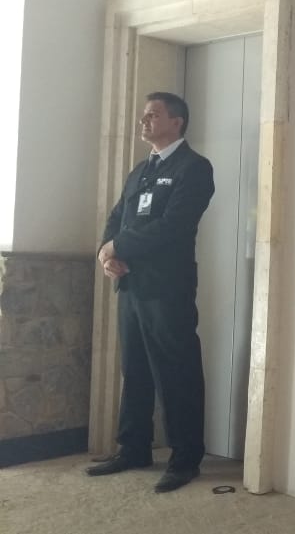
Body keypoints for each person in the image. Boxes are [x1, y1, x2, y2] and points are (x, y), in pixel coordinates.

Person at [87, 92, 215, 493]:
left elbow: (173, 225)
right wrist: (106, 254)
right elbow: (117, 218)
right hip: (131, 285)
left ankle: (185, 457)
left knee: (176, 371)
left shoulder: (194, 168)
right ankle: (134, 447)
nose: (144, 121)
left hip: (168, 288)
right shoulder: (140, 170)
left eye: (153, 115)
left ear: (177, 121)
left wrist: (118, 247)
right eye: (143, 115)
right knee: (135, 368)